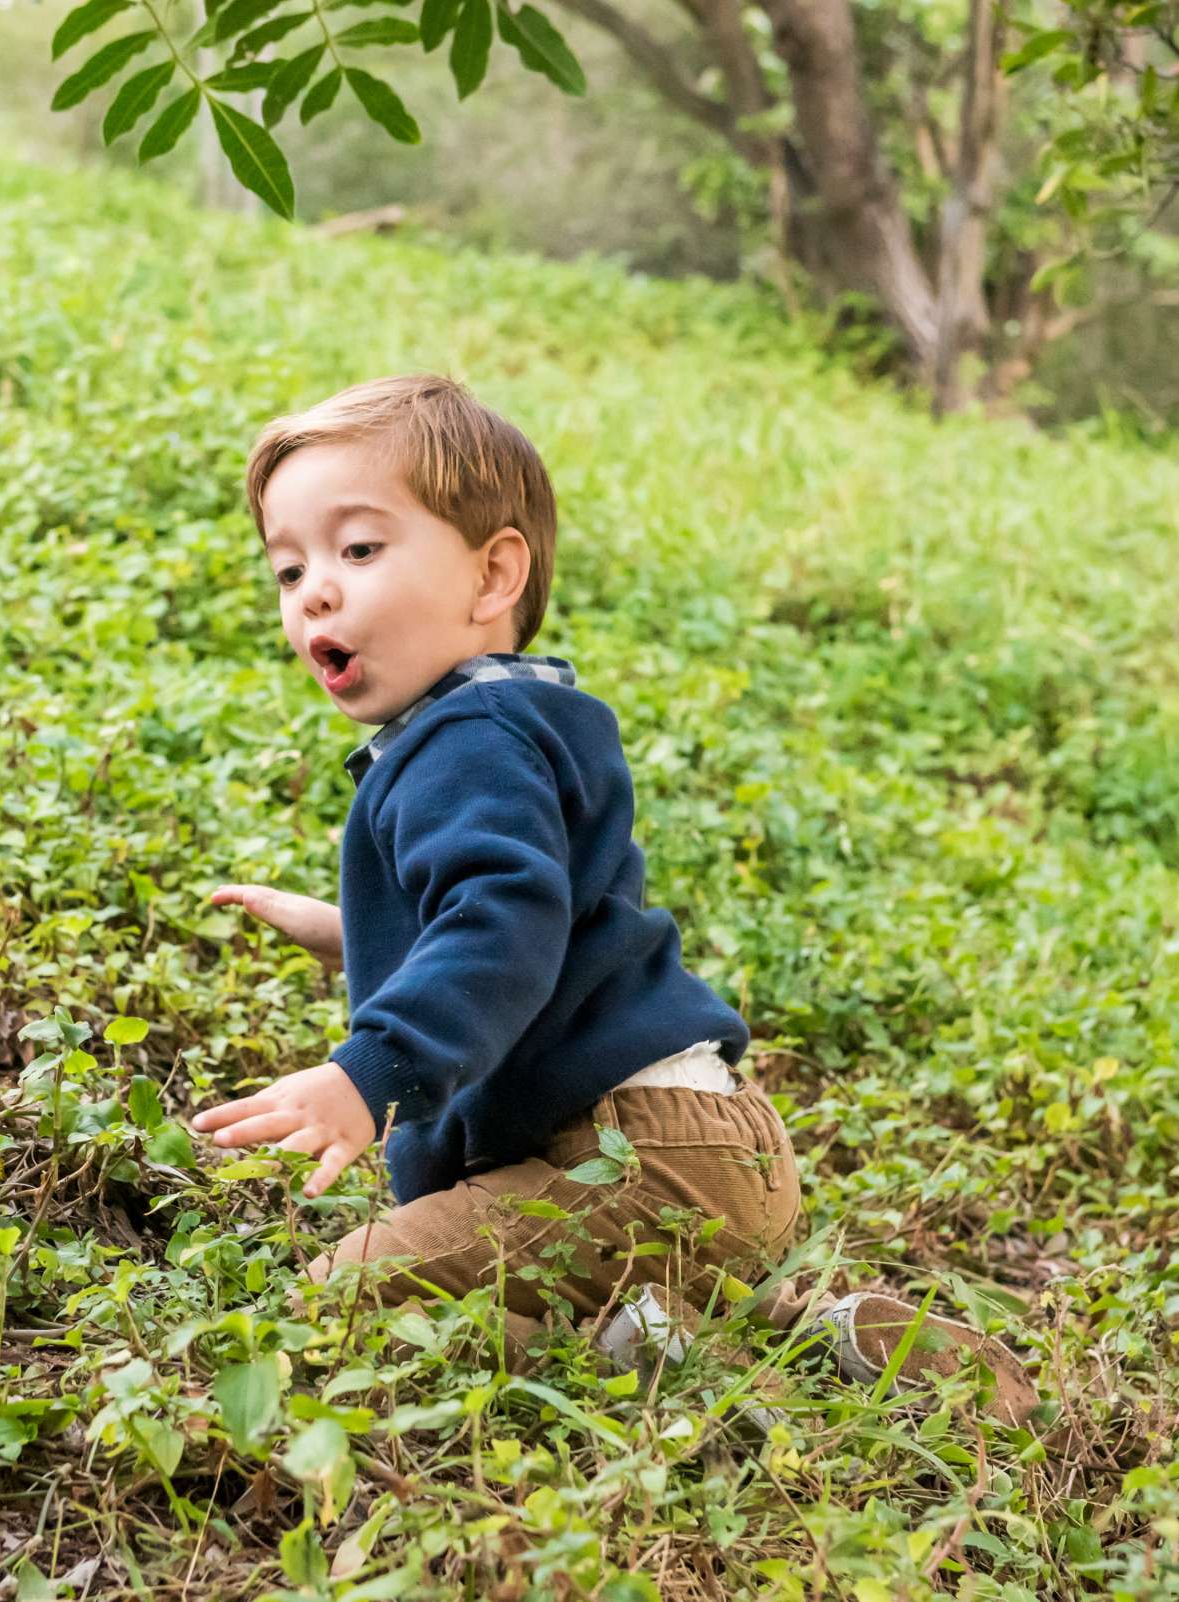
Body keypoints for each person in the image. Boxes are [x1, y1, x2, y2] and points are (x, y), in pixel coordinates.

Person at [189, 374, 1037, 1427]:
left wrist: (372, 1075)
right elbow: (536, 912)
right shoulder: (515, 722)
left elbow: (506, 927)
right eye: (290, 567)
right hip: (712, 1151)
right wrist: (344, 929)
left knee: (350, 1296)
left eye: (358, 551)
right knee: (525, 1269)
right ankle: (801, 1327)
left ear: (494, 572)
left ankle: (667, 1359)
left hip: (629, 1158)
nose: (314, 590)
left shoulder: (466, 744)